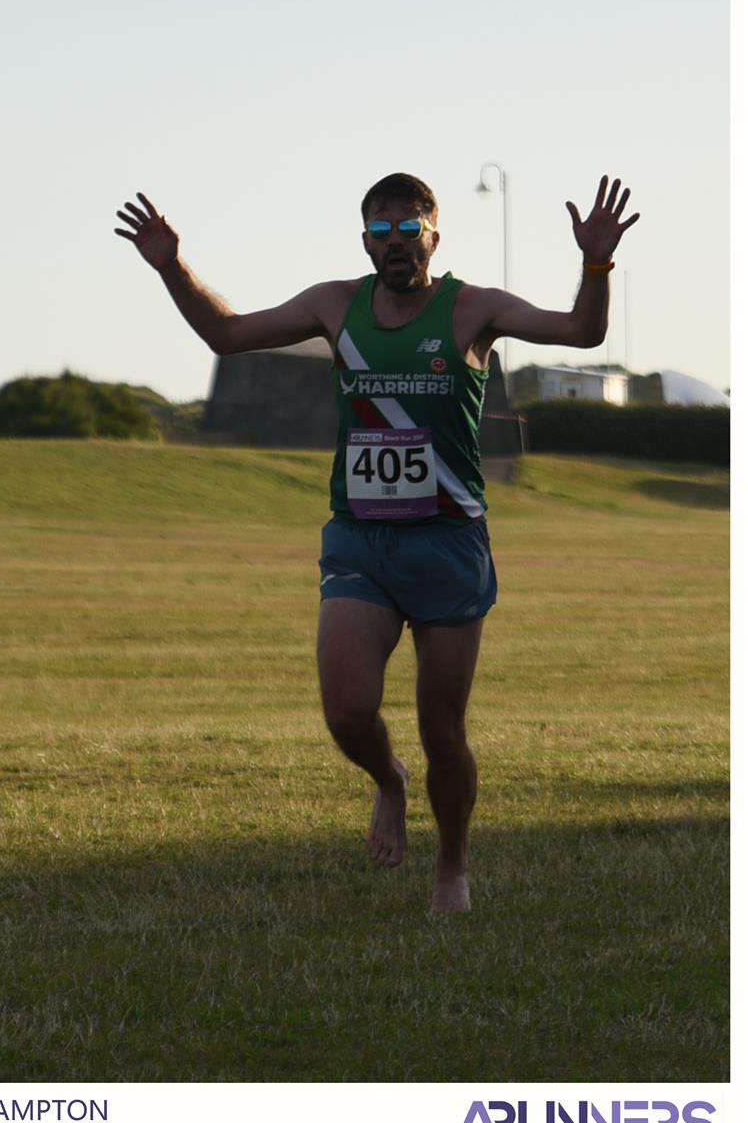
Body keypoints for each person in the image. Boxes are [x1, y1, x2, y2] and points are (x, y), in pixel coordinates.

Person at [114, 173, 639, 913]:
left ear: (433, 235)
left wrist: (595, 265)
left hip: (448, 545)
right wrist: (172, 264)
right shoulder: (335, 304)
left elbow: (582, 333)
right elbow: (227, 336)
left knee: (443, 730)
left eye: (409, 227)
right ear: (366, 241)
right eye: (381, 230)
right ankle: (388, 781)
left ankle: (451, 866)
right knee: (349, 713)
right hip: (361, 541)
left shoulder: (473, 309)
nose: (396, 242)